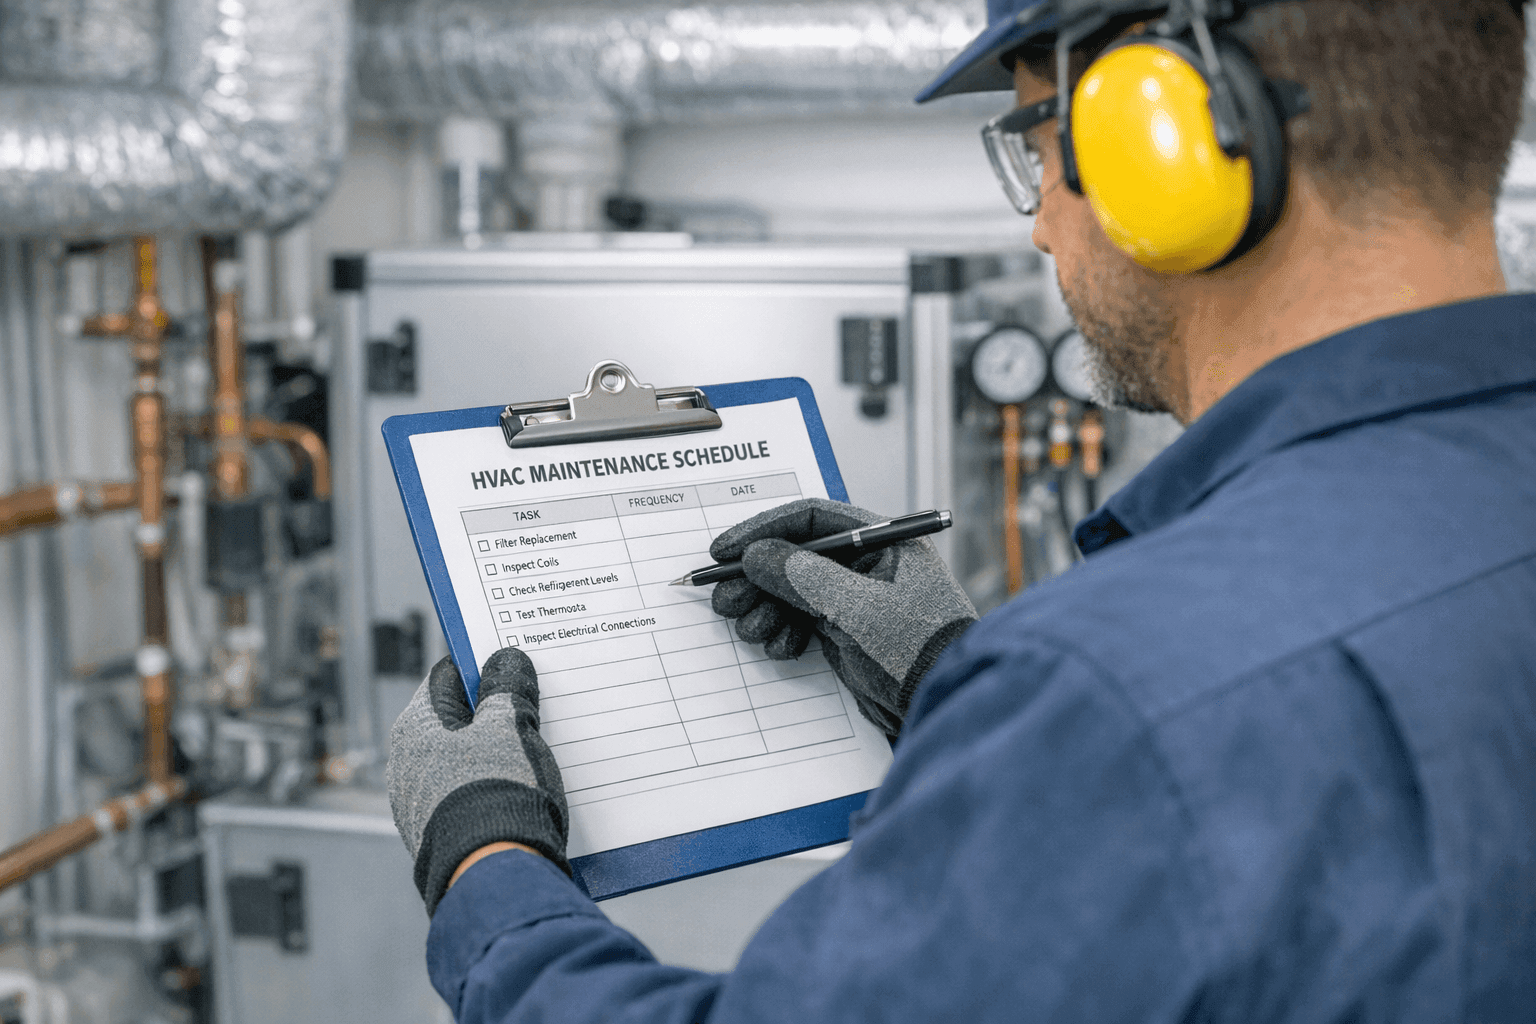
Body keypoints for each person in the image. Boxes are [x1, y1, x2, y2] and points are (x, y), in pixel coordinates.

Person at [385, 1, 1536, 1019]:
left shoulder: (1118, 693)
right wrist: (952, 677)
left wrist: (484, 857)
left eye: (1037, 145)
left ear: (1173, 136)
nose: (1040, 226)